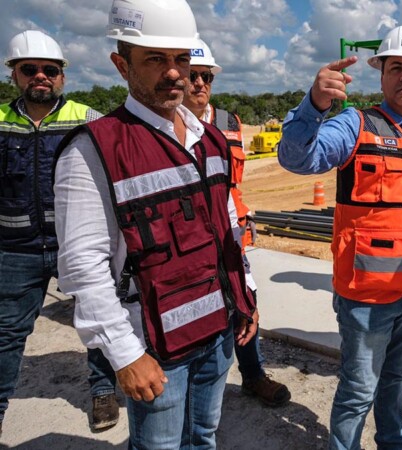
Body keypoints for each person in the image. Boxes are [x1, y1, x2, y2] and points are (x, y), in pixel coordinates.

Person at [53, 0, 258, 447]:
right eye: (155, 59)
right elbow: (83, 266)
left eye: (181, 58)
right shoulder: (93, 150)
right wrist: (125, 354)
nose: (173, 72)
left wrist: (246, 293)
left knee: (203, 436)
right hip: (154, 345)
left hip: (219, 329)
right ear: (121, 65)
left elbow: (227, 226)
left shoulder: (211, 140)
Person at [279, 24, 402, 450]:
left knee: (394, 381)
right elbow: (298, 158)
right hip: (366, 297)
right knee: (358, 391)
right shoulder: (356, 125)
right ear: (382, 75)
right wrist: (314, 104)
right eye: (396, 67)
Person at [0, 29, 110, 436]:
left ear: (62, 76)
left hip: (76, 244)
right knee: (7, 334)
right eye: (30, 68)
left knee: (98, 319)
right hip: (16, 250)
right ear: (14, 74)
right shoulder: (0, 120)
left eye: (50, 69)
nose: (40, 76)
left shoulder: (87, 118)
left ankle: (103, 391)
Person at [183, 39, 290, 407]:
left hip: (230, 231)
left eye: (206, 76)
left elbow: (232, 183)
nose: (199, 83)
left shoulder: (229, 122)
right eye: (192, 75)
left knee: (245, 300)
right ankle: (191, 385)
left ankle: (253, 375)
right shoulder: (165, 125)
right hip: (188, 236)